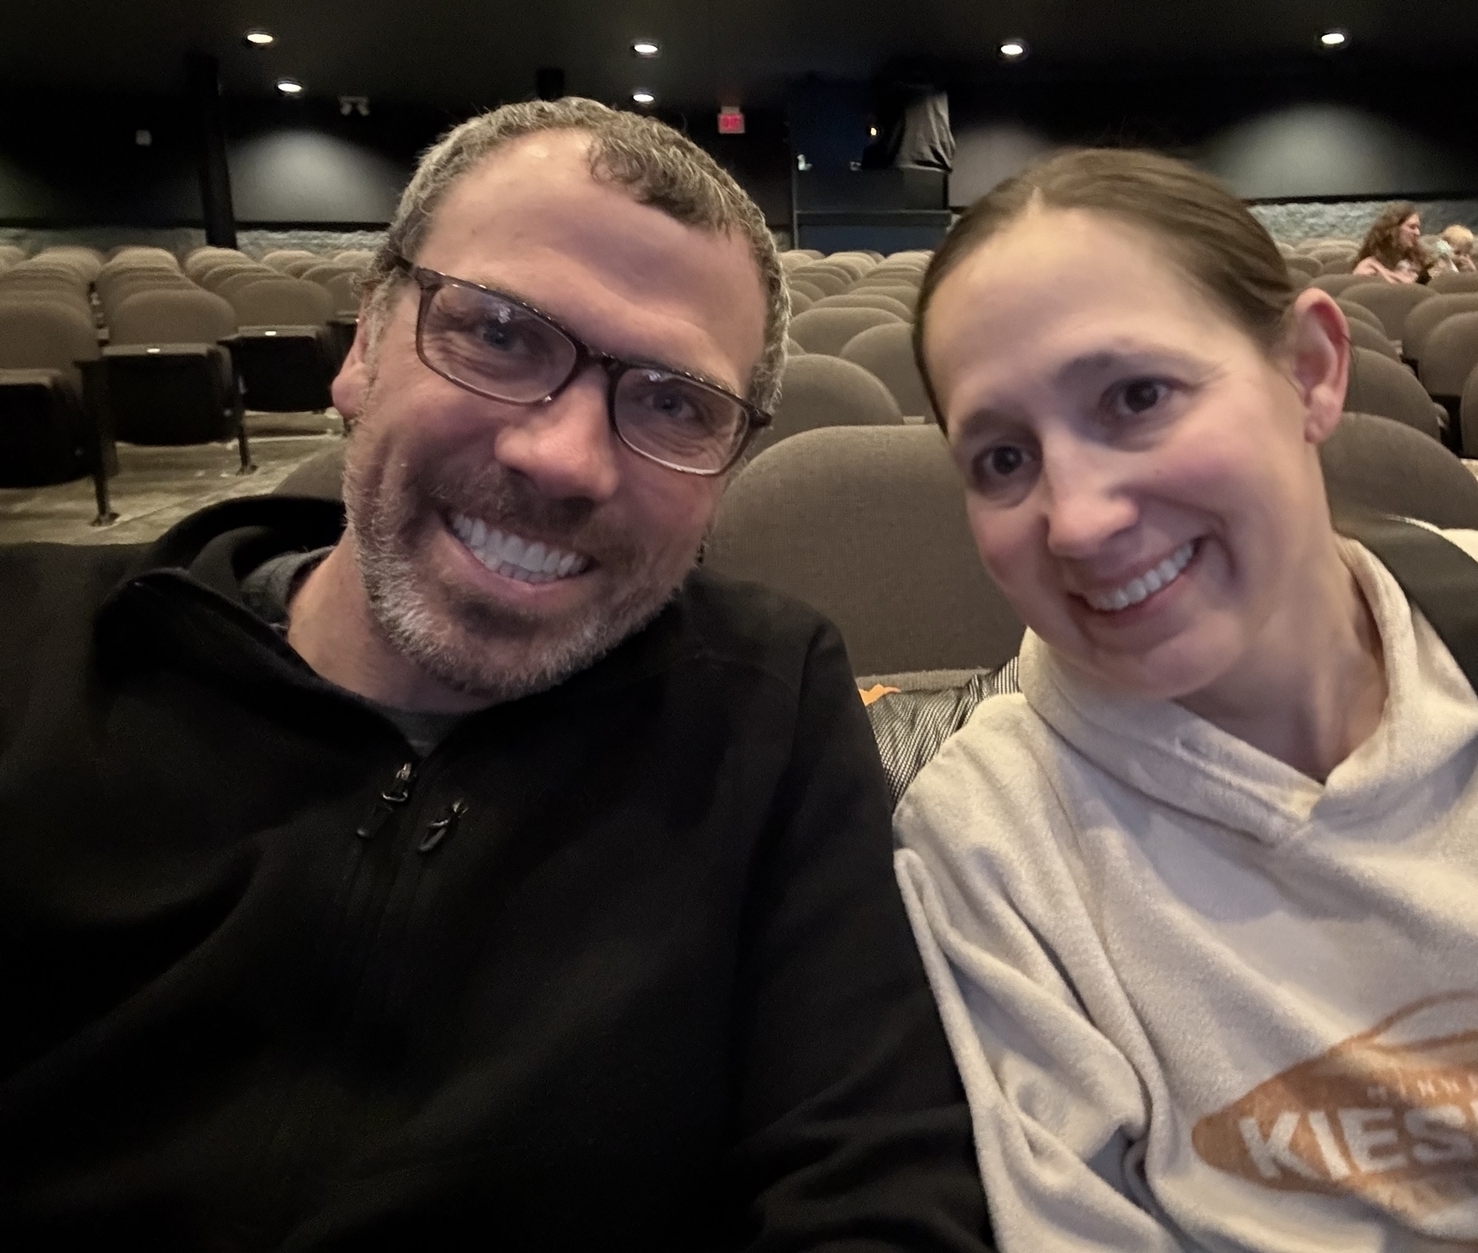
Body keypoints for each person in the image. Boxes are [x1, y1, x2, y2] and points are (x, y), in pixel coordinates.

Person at [0, 98, 992, 1251]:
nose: (563, 458)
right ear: (366, 343)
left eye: (674, 402)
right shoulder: (34, 651)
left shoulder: (767, 707)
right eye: (503, 337)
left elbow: (874, 1182)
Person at [890, 147, 1478, 1253]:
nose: (1075, 521)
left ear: (1313, 371)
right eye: (1000, 459)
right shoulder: (987, 847)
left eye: (1137, 397)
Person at [1351, 202, 1429, 283]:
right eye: (1412, 227)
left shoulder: (1419, 261)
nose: (1417, 233)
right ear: (1394, 229)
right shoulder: (1368, 268)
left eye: (1418, 228)